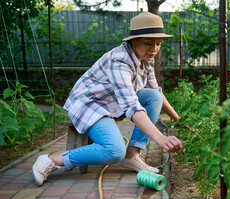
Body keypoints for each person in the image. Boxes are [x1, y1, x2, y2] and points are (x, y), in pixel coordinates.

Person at [32, 12, 184, 187]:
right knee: (114, 151)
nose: (154, 49)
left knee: (153, 96)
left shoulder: (146, 59)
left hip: (113, 103)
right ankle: (53, 160)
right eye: (149, 43)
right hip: (91, 104)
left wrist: (178, 120)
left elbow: (157, 91)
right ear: (134, 41)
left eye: (158, 44)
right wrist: (160, 138)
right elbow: (132, 106)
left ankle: (132, 155)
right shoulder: (119, 61)